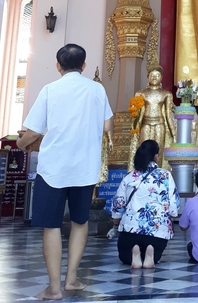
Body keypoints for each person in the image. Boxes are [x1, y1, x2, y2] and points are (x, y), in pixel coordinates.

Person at [18, 44, 113, 300]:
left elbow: (34, 131)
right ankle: (71, 279)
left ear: (58, 66)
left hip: (53, 170)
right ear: (83, 66)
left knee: (51, 226)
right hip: (84, 169)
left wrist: (20, 144)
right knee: (79, 222)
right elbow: (107, 126)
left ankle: (54, 288)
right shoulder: (97, 89)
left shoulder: (50, 89)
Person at [112, 139, 180, 268]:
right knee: (156, 251)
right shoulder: (165, 176)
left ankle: (135, 253)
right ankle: (150, 254)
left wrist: (116, 223)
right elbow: (173, 209)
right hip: (157, 233)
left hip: (130, 231)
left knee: (124, 257)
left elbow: (118, 205)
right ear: (155, 156)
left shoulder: (129, 176)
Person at [128, 63, 175, 171]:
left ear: (162, 78)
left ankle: (158, 172)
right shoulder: (140, 93)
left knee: (158, 150)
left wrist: (174, 133)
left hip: (159, 125)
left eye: (157, 76)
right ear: (148, 77)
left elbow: (168, 115)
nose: (154, 78)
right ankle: (142, 171)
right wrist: (135, 116)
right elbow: (137, 113)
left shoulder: (166, 94)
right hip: (145, 124)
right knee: (144, 149)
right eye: (152, 75)